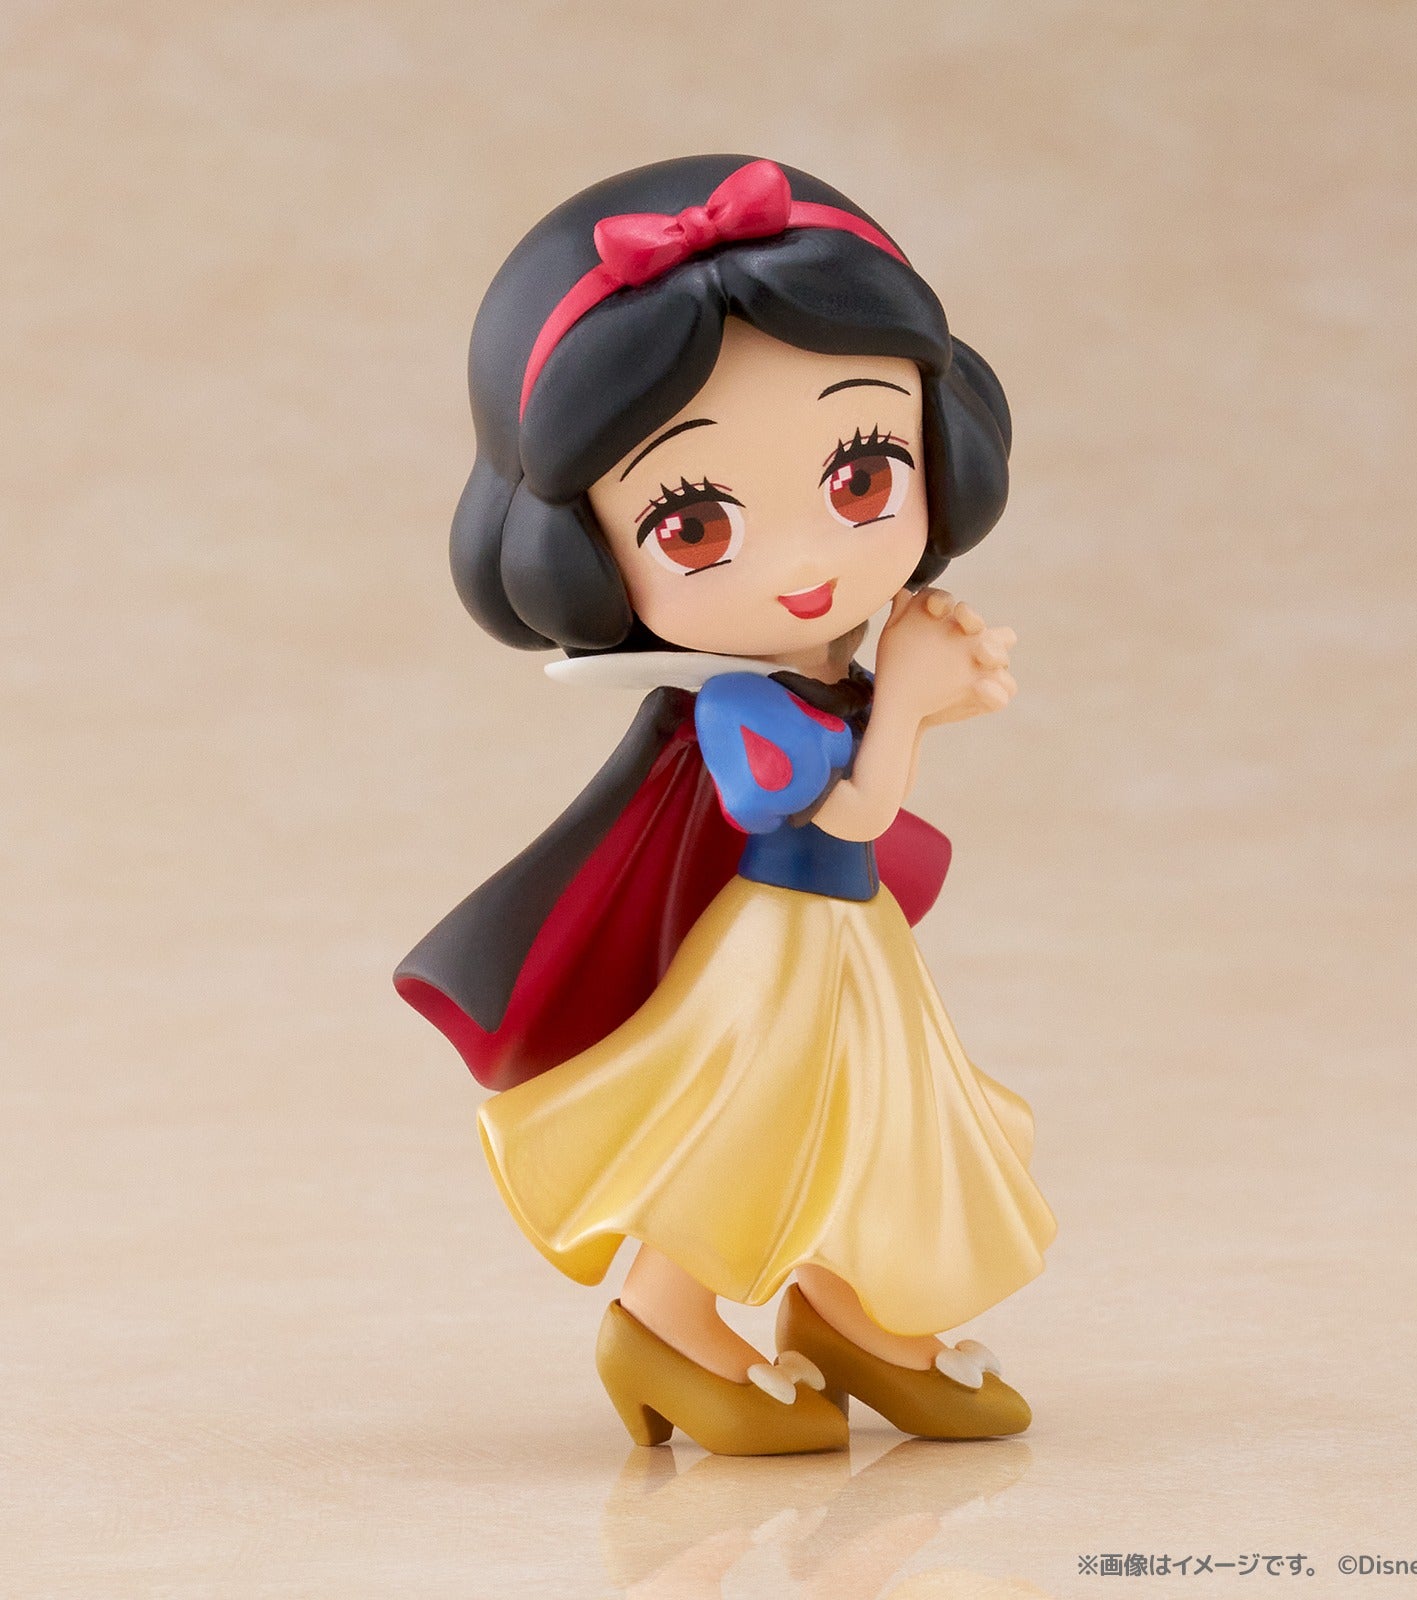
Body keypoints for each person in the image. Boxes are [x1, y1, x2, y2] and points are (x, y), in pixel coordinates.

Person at [396, 155, 1056, 1455]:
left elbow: (861, 755)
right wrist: (908, 708)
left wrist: (926, 694)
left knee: (875, 1127)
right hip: (778, 953)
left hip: (843, 946)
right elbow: (836, 821)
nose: (807, 565)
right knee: (747, 1136)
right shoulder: (733, 708)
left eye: (859, 477)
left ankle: (855, 1313)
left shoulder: (811, 680)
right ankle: (665, 1323)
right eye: (694, 524)